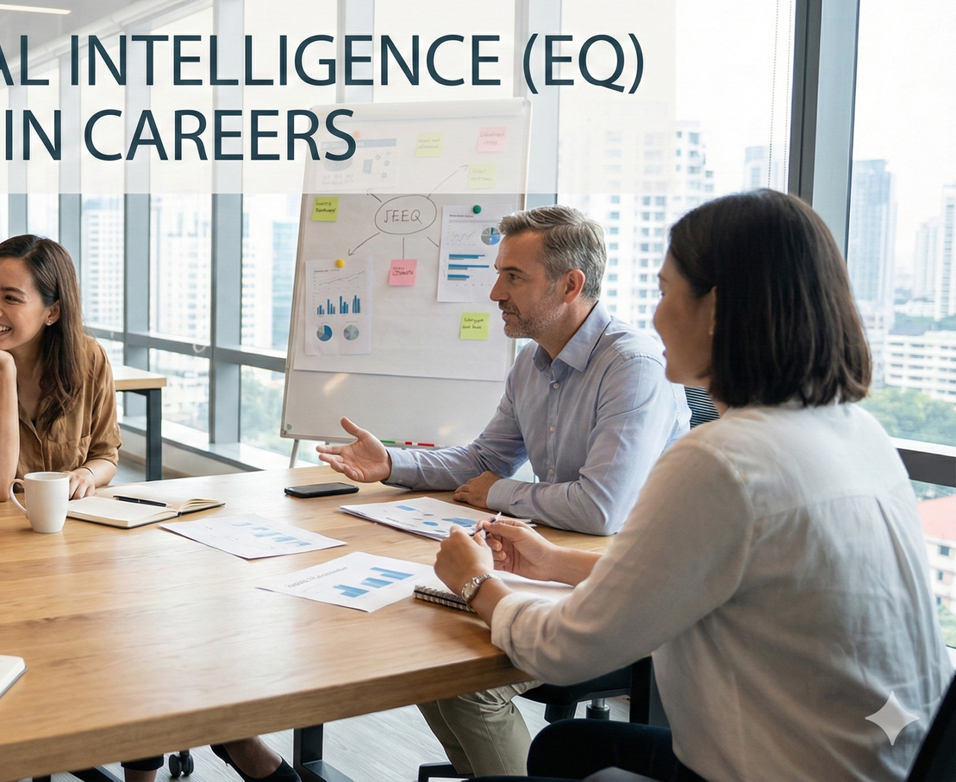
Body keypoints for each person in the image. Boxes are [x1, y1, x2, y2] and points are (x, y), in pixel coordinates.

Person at [434, 190, 952, 782]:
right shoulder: (858, 433)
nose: (653, 316)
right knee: (567, 750)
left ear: (715, 310)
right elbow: (716, 572)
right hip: (876, 758)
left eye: (662, 291)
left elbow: (564, 650)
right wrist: (556, 563)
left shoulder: (721, 460)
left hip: (780, 767)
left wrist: (475, 584)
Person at [317, 204, 689, 777]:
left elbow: (600, 508)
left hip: (629, 582)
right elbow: (484, 460)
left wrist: (499, 493)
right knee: (432, 651)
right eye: (498, 273)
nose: (495, 292)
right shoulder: (532, 361)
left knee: (467, 685)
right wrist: (393, 463)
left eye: (513, 276)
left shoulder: (631, 364)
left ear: (570, 285)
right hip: (554, 562)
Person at [0, 235, 296, 782]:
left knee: (148, 631)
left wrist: (85, 475)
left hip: (77, 549)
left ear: (53, 310)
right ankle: (223, 741)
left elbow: (106, 455)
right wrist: (3, 373)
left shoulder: (89, 358)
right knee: (126, 647)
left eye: (11, 297)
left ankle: (201, 743)